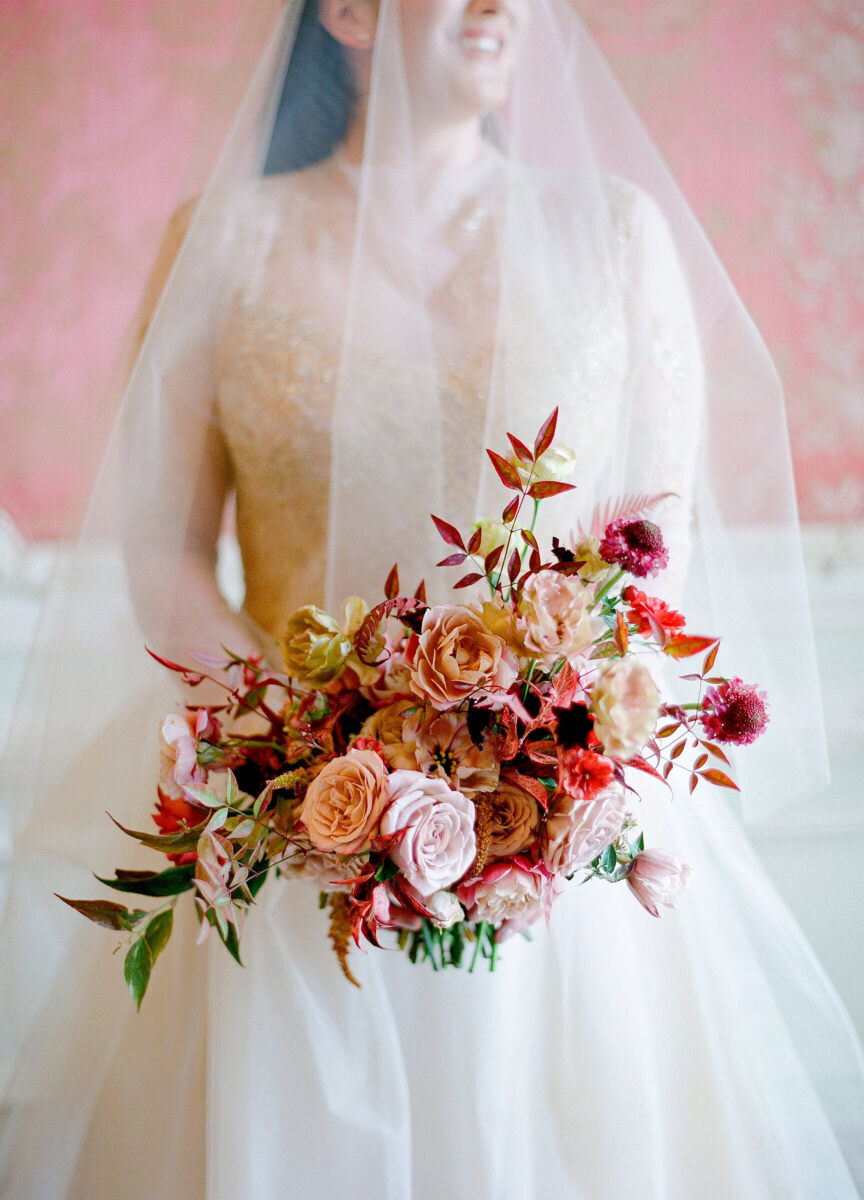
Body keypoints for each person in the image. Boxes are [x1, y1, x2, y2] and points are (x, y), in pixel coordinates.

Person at [2, 1, 863, 1196]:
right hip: (292, 821)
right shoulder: (226, 241)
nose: (502, 8)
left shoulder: (614, 232)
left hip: (557, 826)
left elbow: (650, 535)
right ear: (350, 11)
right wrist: (306, 752)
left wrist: (534, 745)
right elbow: (166, 555)